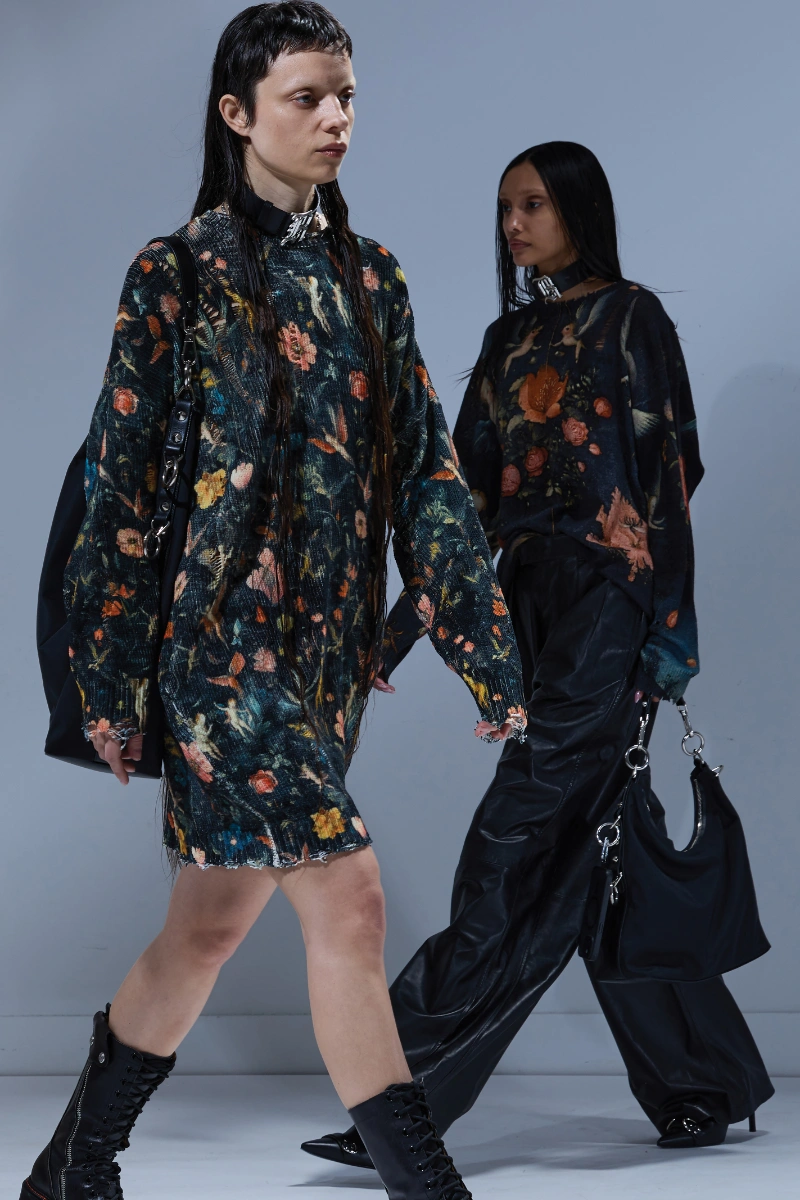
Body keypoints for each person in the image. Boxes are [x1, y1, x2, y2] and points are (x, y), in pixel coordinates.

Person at [20, 7, 528, 1200]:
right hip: (214, 657)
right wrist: (107, 684)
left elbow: (425, 476)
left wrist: (481, 649)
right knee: (351, 900)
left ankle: (72, 1169)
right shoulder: (175, 273)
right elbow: (118, 489)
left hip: (324, 664)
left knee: (206, 928)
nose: (336, 117)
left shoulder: (371, 278)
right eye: (307, 97)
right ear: (237, 114)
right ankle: (428, 1189)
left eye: (346, 94)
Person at [301, 140, 774, 1171]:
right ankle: (703, 1083)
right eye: (505, 207)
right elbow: (463, 505)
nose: (513, 225)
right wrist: (398, 629)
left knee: (513, 843)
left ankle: (399, 1100)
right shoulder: (508, 337)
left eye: (534, 206)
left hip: (608, 602)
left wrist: (669, 635)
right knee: (588, 859)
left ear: (578, 212)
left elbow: (667, 478)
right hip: (527, 607)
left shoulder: (633, 318)